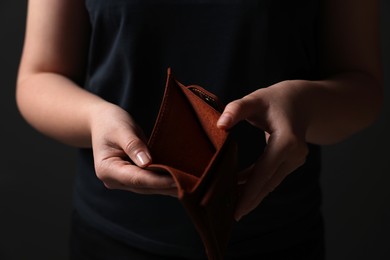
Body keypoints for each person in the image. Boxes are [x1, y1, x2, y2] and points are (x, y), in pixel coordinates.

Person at [15, 0, 383, 259]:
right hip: (114, 238)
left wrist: (303, 104)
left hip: (276, 237)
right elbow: (39, 76)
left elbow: (363, 87)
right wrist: (95, 116)